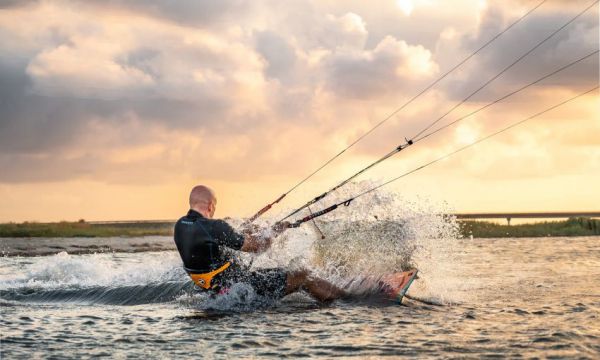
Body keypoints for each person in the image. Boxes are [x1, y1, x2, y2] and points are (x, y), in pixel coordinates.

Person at [173, 185, 346, 302]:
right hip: (238, 288)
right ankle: (350, 300)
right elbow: (257, 246)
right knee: (303, 276)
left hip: (214, 290)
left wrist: (242, 232)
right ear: (210, 206)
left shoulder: (180, 226)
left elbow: (211, 246)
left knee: (290, 275)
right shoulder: (215, 227)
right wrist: (275, 231)